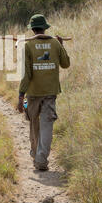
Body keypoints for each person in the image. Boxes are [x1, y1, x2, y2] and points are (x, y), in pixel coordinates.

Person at [17, 14, 70, 171]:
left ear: (32, 29)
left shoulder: (28, 46)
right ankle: (41, 159)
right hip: (50, 93)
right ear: (45, 28)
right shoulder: (55, 43)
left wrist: (21, 96)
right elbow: (66, 64)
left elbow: (26, 75)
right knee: (47, 125)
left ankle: (36, 155)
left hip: (33, 94)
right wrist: (61, 45)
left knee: (34, 124)